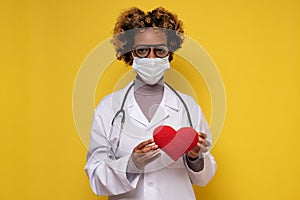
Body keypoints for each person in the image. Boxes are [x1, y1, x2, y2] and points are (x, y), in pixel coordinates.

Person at [85, 7, 217, 200]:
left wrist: (194, 158)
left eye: (160, 50)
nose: (152, 58)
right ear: (130, 53)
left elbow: (204, 177)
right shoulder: (108, 108)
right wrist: (131, 164)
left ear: (169, 53)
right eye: (142, 50)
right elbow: (96, 177)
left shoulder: (188, 107)